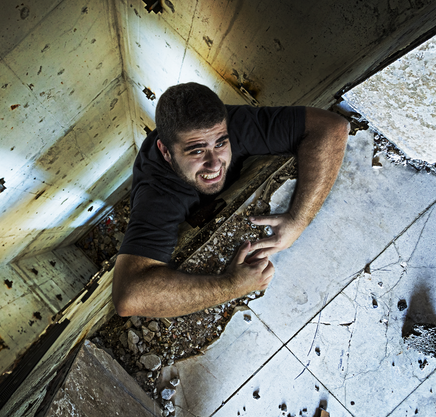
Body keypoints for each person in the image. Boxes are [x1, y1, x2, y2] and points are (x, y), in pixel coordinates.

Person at [112, 82, 349, 318]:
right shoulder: (158, 194)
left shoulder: (233, 126)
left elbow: (333, 128)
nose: (215, 163)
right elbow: (129, 297)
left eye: (221, 144)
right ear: (166, 152)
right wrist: (233, 286)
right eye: (197, 151)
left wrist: (299, 219)